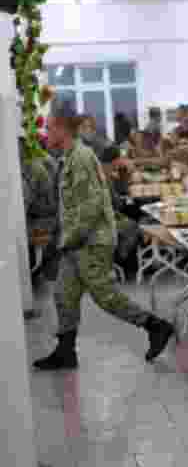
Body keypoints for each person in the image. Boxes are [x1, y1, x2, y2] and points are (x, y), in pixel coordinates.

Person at [33, 104, 175, 371]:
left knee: (104, 296)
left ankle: (155, 326)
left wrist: (66, 239)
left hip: (91, 240)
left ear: (62, 129)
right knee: (63, 294)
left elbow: (92, 206)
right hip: (77, 240)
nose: (46, 132)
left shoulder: (81, 158)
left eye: (49, 126)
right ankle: (65, 351)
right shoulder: (70, 156)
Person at [20, 136, 60, 283]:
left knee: (13, 236)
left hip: (43, 222)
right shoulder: (41, 161)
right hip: (49, 218)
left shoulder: (32, 168)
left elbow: (23, 205)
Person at [99, 146, 142, 276]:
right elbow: (116, 203)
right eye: (121, 159)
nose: (123, 161)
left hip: (103, 215)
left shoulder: (104, 170)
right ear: (116, 160)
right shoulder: (105, 174)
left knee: (131, 221)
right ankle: (122, 262)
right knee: (133, 226)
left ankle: (121, 262)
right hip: (103, 219)